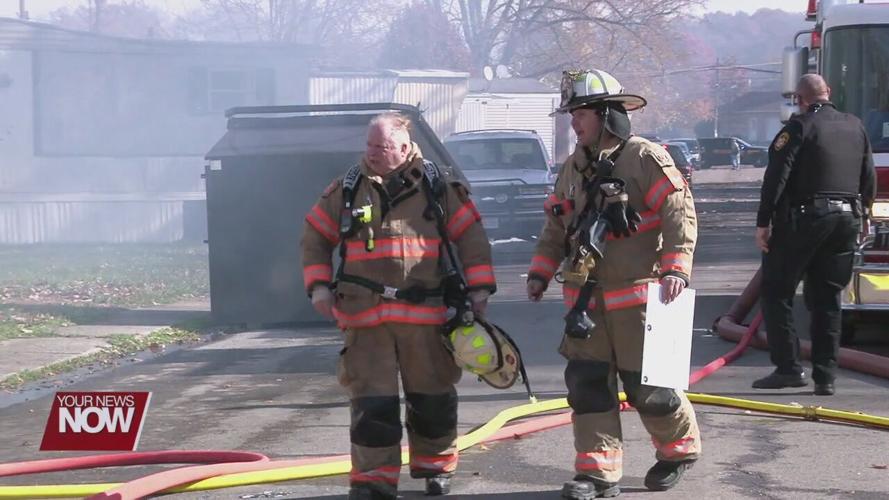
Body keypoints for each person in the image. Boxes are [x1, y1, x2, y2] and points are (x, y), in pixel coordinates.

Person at [301, 113, 496, 500]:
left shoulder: (437, 186)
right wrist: (319, 287)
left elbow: (471, 237)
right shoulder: (349, 187)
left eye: (383, 147)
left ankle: (436, 467)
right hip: (364, 317)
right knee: (371, 404)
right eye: (369, 145)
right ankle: (373, 479)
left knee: (432, 398)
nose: (372, 153)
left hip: (425, 317)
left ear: (405, 148)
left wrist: (479, 290)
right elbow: (314, 236)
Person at [526, 69, 701, 499]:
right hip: (585, 307)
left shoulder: (643, 157)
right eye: (572, 114)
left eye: (580, 113)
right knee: (587, 387)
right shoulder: (573, 168)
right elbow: (556, 228)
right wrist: (540, 272)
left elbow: (679, 211)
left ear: (606, 114)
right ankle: (597, 474)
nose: (574, 122)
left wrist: (676, 268)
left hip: (640, 300)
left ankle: (678, 451)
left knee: (651, 389)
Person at [753, 74, 876, 396]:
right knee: (828, 299)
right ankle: (825, 377)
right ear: (828, 92)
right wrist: (865, 213)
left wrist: (764, 222)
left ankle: (789, 368)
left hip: (806, 219)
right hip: (847, 219)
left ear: (800, 99)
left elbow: (777, 177)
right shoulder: (855, 126)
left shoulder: (798, 127)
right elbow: (868, 175)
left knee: (776, 291)